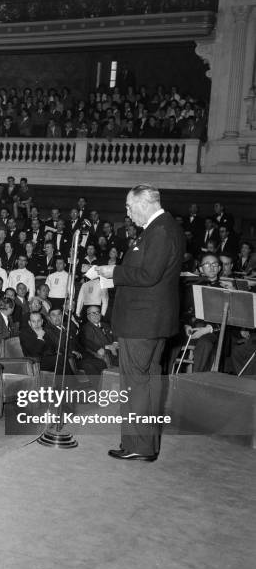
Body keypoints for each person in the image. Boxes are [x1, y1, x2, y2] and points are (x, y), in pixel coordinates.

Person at [96, 183, 184, 461]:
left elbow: (148, 275)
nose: (127, 212)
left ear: (144, 203)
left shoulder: (160, 231)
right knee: (144, 383)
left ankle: (138, 446)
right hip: (149, 322)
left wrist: (114, 271)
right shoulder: (162, 228)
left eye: (129, 206)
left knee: (135, 384)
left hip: (142, 323)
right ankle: (142, 444)